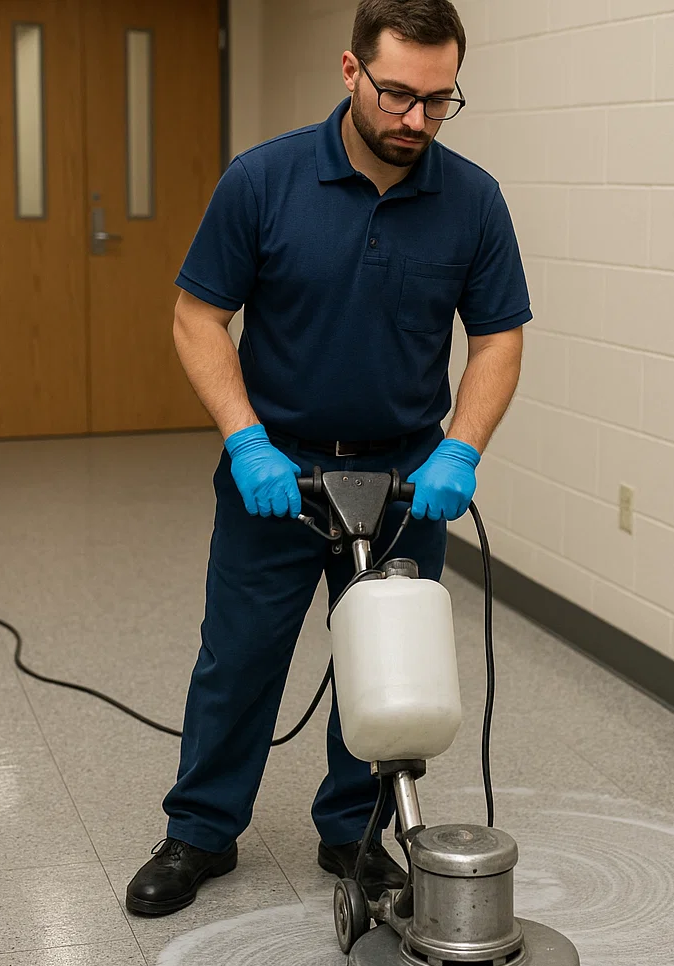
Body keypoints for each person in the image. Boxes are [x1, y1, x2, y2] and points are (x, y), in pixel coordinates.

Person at [126, 0, 530, 917]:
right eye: (396, 95)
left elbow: (499, 337)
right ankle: (200, 831)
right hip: (278, 474)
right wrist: (246, 441)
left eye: (438, 101)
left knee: (384, 665)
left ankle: (355, 833)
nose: (415, 121)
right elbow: (198, 318)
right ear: (350, 72)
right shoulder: (262, 182)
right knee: (238, 657)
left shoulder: (471, 199)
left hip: (404, 481)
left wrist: (459, 451)